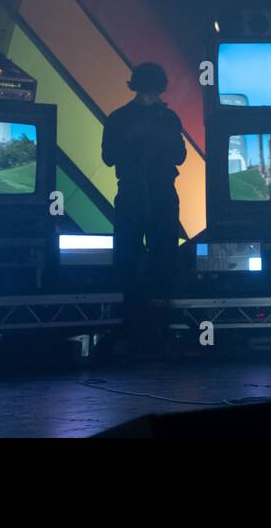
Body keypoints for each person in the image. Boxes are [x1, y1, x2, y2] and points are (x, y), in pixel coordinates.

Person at [101, 62, 187, 357]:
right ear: (136, 89)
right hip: (132, 196)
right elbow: (108, 157)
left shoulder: (168, 118)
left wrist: (159, 136)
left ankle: (162, 329)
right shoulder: (119, 119)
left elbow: (180, 156)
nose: (151, 98)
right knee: (127, 260)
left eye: (154, 93)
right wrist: (132, 138)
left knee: (165, 259)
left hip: (162, 195)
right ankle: (129, 327)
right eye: (146, 93)